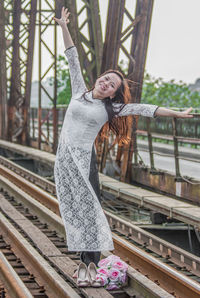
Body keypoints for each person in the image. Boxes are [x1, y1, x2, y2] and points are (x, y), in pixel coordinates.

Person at [53, 7, 193, 287]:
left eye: (112, 85)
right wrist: (63, 26)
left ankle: (90, 266)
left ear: (115, 93)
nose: (106, 83)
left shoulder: (113, 107)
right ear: (99, 79)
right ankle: (85, 261)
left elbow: (145, 109)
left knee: (90, 209)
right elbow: (72, 58)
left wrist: (176, 113)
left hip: (83, 161)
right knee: (73, 209)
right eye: (105, 79)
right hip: (63, 160)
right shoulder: (79, 90)